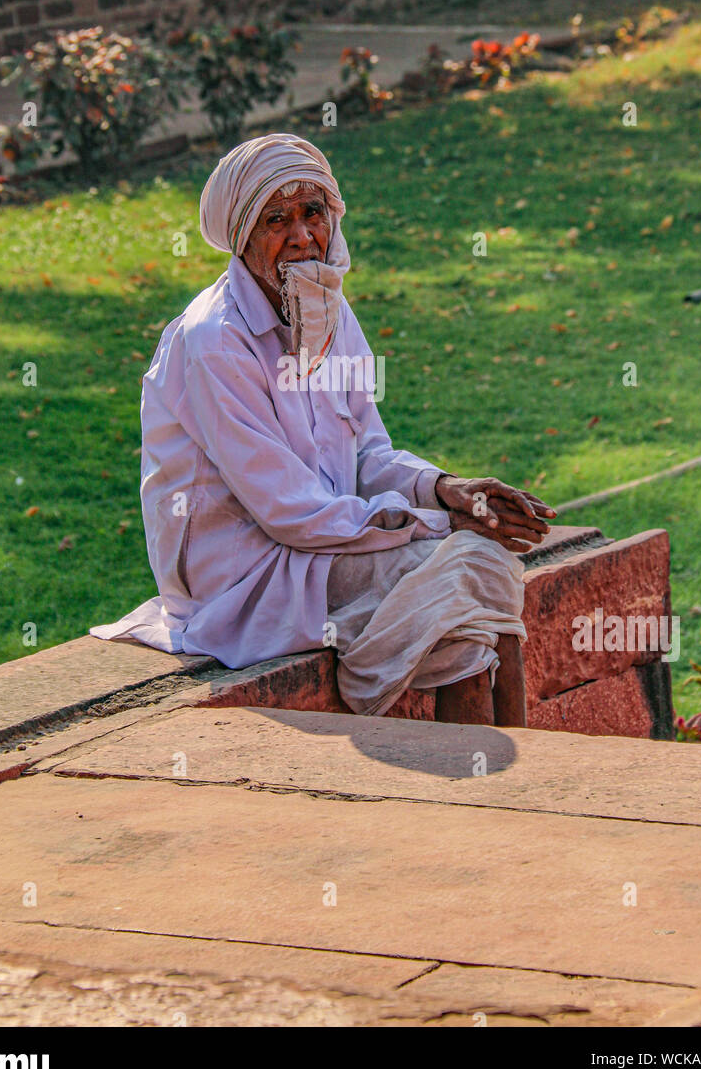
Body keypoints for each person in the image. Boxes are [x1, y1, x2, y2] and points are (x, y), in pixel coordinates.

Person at [90, 133, 555, 722]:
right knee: (465, 578)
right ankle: (492, 801)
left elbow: (366, 455)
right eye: (276, 219)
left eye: (312, 213)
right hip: (245, 579)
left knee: (478, 576)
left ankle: (516, 796)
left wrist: (445, 488)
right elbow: (290, 512)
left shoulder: (329, 310)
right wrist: (436, 522)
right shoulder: (214, 342)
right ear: (242, 236)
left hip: (326, 543)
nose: (302, 235)